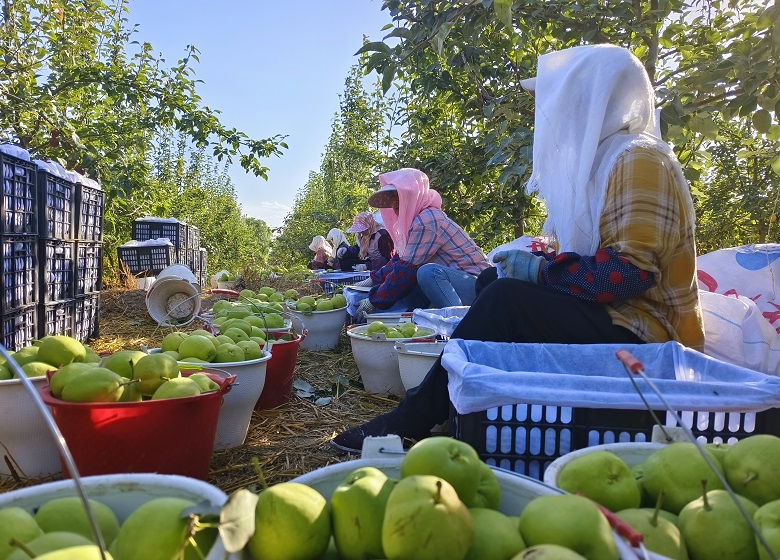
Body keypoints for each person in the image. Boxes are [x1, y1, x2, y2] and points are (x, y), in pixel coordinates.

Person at [332, 44, 705, 453]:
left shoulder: (638, 161)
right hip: (614, 315)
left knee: (506, 299)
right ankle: (463, 402)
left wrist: (540, 272)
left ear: (593, 101)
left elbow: (627, 275)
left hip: (645, 332)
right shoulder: (610, 162)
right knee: (495, 282)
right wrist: (535, 268)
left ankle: (417, 416)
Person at [354, 168, 491, 319]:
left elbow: (405, 271)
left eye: (399, 195)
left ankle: (460, 325)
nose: (394, 203)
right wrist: (374, 279)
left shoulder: (427, 220)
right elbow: (400, 262)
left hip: (480, 287)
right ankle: (422, 325)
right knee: (410, 285)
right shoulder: (419, 220)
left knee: (427, 273)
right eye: (392, 198)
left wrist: (374, 301)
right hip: (459, 284)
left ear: (412, 195)